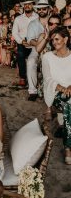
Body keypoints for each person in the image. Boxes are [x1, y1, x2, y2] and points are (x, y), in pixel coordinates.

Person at [42, 27, 71, 164]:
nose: (54, 42)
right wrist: (62, 89)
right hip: (55, 93)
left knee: (69, 105)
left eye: (57, 39)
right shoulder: (47, 57)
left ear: (65, 39)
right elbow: (47, 79)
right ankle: (68, 148)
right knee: (68, 104)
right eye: (52, 39)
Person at [26, 0, 51, 101]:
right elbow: (30, 40)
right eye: (39, 9)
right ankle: (32, 91)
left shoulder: (53, 21)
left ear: (48, 9)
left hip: (53, 49)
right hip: (36, 49)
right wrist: (40, 44)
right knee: (31, 62)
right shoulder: (32, 23)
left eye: (44, 9)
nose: (41, 11)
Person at [12, 0, 38, 86]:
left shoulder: (37, 17)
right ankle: (23, 77)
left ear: (33, 5)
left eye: (29, 4)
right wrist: (22, 41)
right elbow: (14, 33)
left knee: (35, 59)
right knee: (20, 54)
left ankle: (36, 77)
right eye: (26, 4)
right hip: (22, 42)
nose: (27, 6)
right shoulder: (18, 18)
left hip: (35, 43)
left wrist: (35, 41)